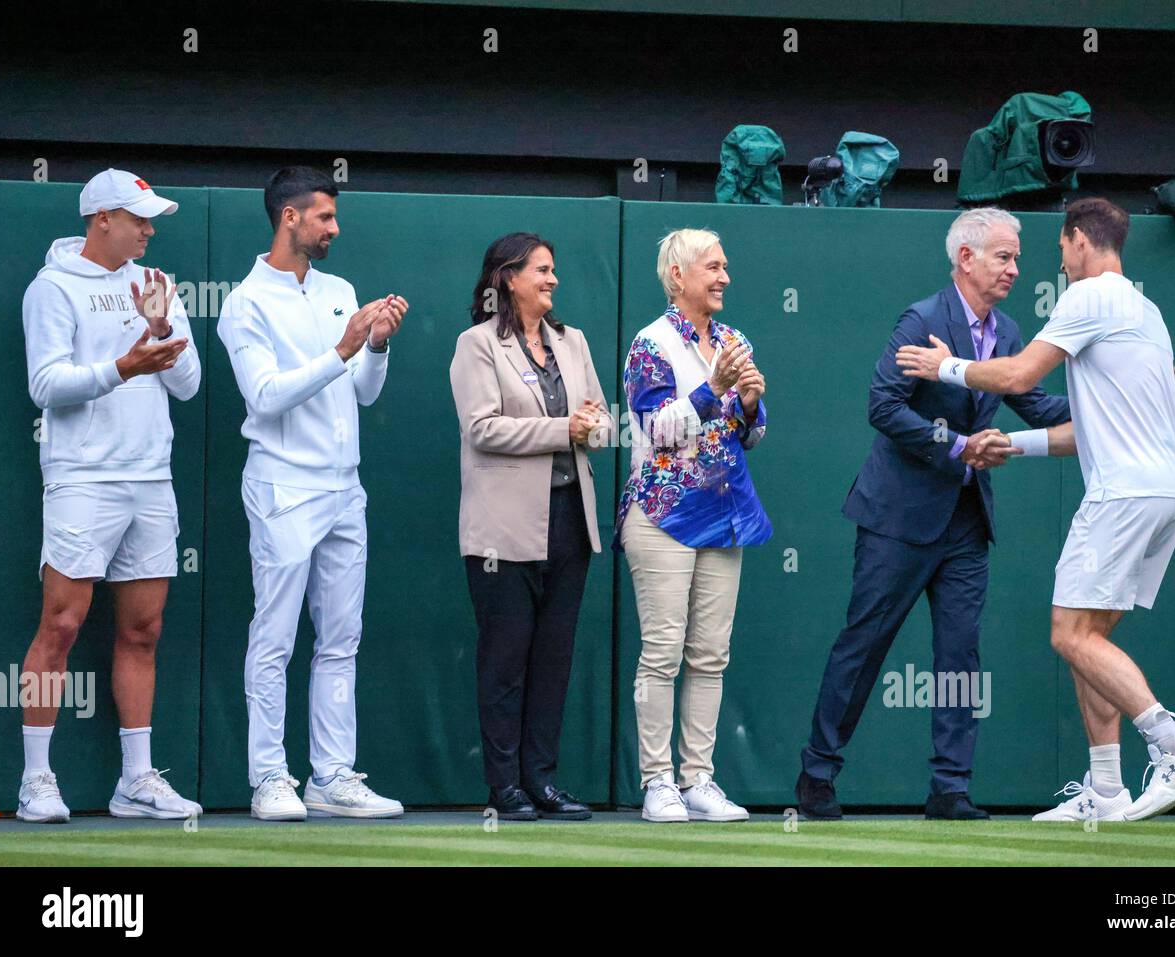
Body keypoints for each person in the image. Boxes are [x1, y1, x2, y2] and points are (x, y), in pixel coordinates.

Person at [896, 197, 1175, 822]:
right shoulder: (1147, 312)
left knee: (1069, 634)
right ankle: (1105, 790)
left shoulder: (1089, 296)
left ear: (1077, 240)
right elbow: (1086, 431)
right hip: (1162, 494)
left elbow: (1019, 376)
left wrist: (947, 366)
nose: (1053, 264)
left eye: (1055, 250)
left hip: (1122, 496)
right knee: (1087, 639)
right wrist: (1008, 445)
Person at [796, 207, 1072, 822]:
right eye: (1004, 256)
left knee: (960, 655)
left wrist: (1114, 391)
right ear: (966, 259)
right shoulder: (921, 319)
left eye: (1017, 257)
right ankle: (817, 775)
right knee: (864, 644)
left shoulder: (1006, 331)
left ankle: (950, 789)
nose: (1015, 269)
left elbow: (1037, 403)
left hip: (967, 523)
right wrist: (956, 446)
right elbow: (882, 406)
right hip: (898, 517)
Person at [217, 166, 409, 821]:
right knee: (274, 638)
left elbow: (362, 391)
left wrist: (375, 347)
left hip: (342, 489)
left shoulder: (340, 289)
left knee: (340, 639)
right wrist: (342, 346)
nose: (334, 227)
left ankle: (330, 777)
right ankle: (270, 776)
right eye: (324, 216)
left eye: (334, 215)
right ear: (289, 218)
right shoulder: (244, 302)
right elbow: (264, 396)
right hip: (281, 488)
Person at [18, 168, 202, 823]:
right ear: (102, 219)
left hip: (151, 478)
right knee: (60, 626)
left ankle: (136, 781)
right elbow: (45, 384)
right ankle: (36, 779)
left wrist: (156, 330)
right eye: (139, 218)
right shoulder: (51, 288)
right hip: (81, 479)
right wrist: (121, 366)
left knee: (143, 631)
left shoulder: (155, 287)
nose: (150, 230)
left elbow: (188, 383)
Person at [449, 232, 615, 821]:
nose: (552, 280)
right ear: (507, 278)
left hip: (572, 523)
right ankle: (504, 787)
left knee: (553, 661)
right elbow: (482, 428)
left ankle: (541, 780)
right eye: (541, 270)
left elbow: (599, 423)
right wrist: (563, 429)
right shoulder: (476, 345)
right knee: (505, 662)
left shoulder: (574, 343)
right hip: (503, 531)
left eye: (554, 270)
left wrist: (594, 427)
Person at [617, 228, 771, 823]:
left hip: (725, 515)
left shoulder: (733, 339)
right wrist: (715, 388)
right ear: (677, 276)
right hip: (661, 515)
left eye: (725, 266)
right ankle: (658, 782)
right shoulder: (649, 344)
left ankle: (699, 780)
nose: (724, 276)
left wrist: (752, 403)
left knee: (710, 654)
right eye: (712, 266)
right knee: (663, 653)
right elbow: (657, 432)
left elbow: (749, 436)